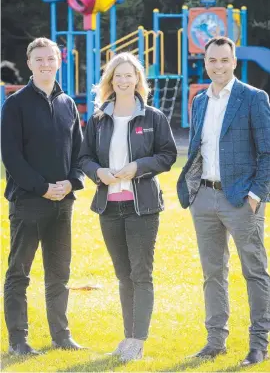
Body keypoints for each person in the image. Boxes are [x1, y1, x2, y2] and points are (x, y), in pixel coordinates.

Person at [177, 36, 270, 366]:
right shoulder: (200, 101)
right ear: (206, 63)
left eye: (223, 60)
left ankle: (259, 344)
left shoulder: (253, 98)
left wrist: (256, 196)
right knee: (212, 273)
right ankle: (215, 341)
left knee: (254, 272)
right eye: (212, 60)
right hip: (204, 199)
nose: (218, 66)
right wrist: (193, 192)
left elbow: (267, 152)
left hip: (242, 201)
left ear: (234, 62)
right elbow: (198, 150)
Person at [79, 52, 177, 362]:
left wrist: (138, 167)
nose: (123, 80)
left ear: (138, 80)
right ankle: (127, 337)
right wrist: (99, 173)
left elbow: (167, 155)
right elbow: (84, 158)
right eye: (117, 75)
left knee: (141, 275)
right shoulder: (97, 118)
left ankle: (138, 340)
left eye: (129, 75)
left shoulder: (153, 117)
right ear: (110, 80)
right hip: (109, 208)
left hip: (142, 208)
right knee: (123, 276)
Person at [1, 37, 85, 355]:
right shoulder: (15, 104)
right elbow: (11, 156)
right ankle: (18, 341)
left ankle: (61, 335)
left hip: (63, 203)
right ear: (29, 64)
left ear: (58, 61)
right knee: (19, 273)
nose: (45, 64)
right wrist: (42, 187)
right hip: (28, 202)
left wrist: (72, 182)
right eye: (39, 59)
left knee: (59, 274)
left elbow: (79, 150)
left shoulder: (68, 105)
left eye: (50, 58)